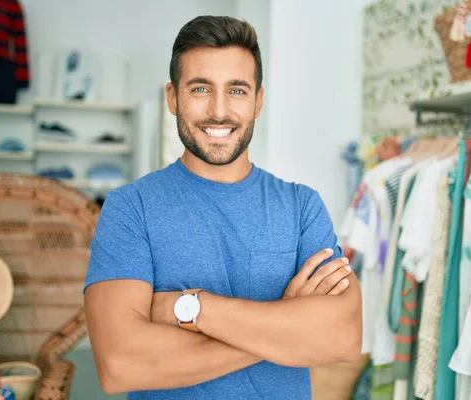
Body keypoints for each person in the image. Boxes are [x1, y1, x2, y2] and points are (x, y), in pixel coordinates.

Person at [84, 15, 362, 399]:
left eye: (237, 90)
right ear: (172, 97)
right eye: (200, 88)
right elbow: (120, 365)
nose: (219, 110)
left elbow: (342, 338)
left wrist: (190, 309)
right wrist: (283, 324)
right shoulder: (131, 208)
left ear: (258, 100)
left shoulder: (301, 207)